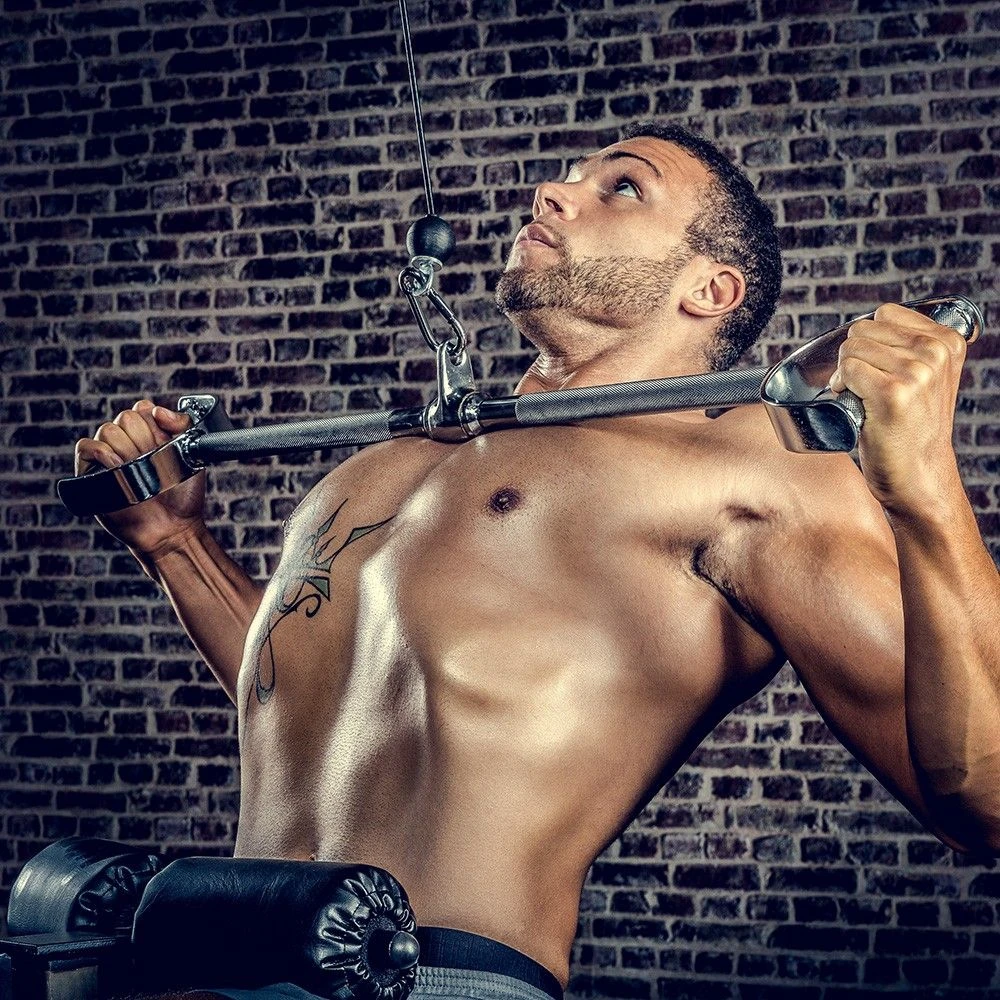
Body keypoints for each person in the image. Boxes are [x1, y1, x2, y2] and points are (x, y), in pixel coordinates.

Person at [74, 120, 1000, 1000]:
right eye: (571, 176)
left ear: (710, 289)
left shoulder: (754, 471)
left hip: (434, 973)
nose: (552, 192)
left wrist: (924, 482)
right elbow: (312, 700)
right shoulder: (378, 467)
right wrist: (175, 545)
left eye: (622, 187)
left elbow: (988, 805)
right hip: (217, 948)